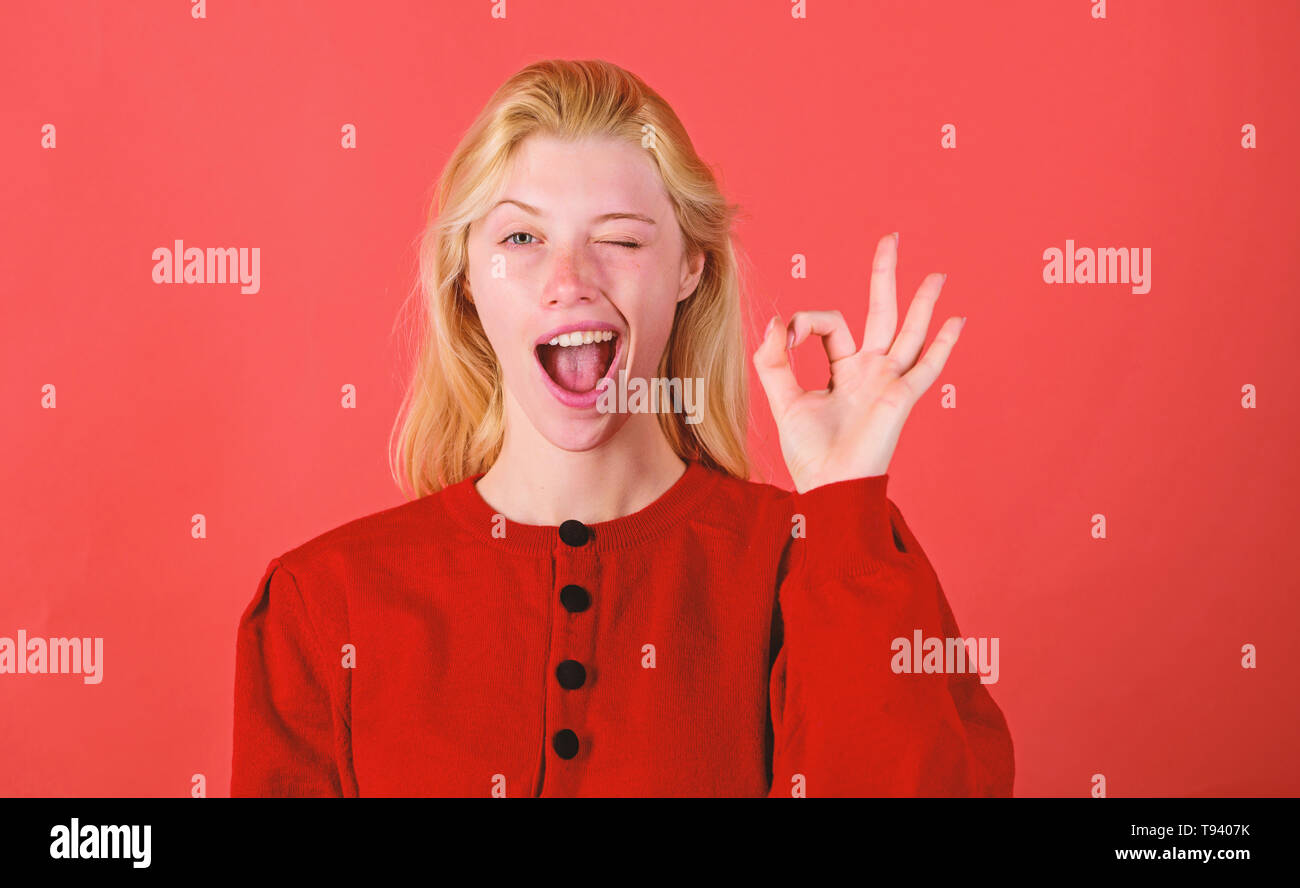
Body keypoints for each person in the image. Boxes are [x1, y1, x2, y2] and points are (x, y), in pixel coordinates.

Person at [231, 58, 1013, 797]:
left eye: (620, 239)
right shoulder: (322, 604)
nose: (569, 281)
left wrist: (844, 503)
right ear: (466, 279)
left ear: (689, 269)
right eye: (521, 239)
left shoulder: (829, 560)